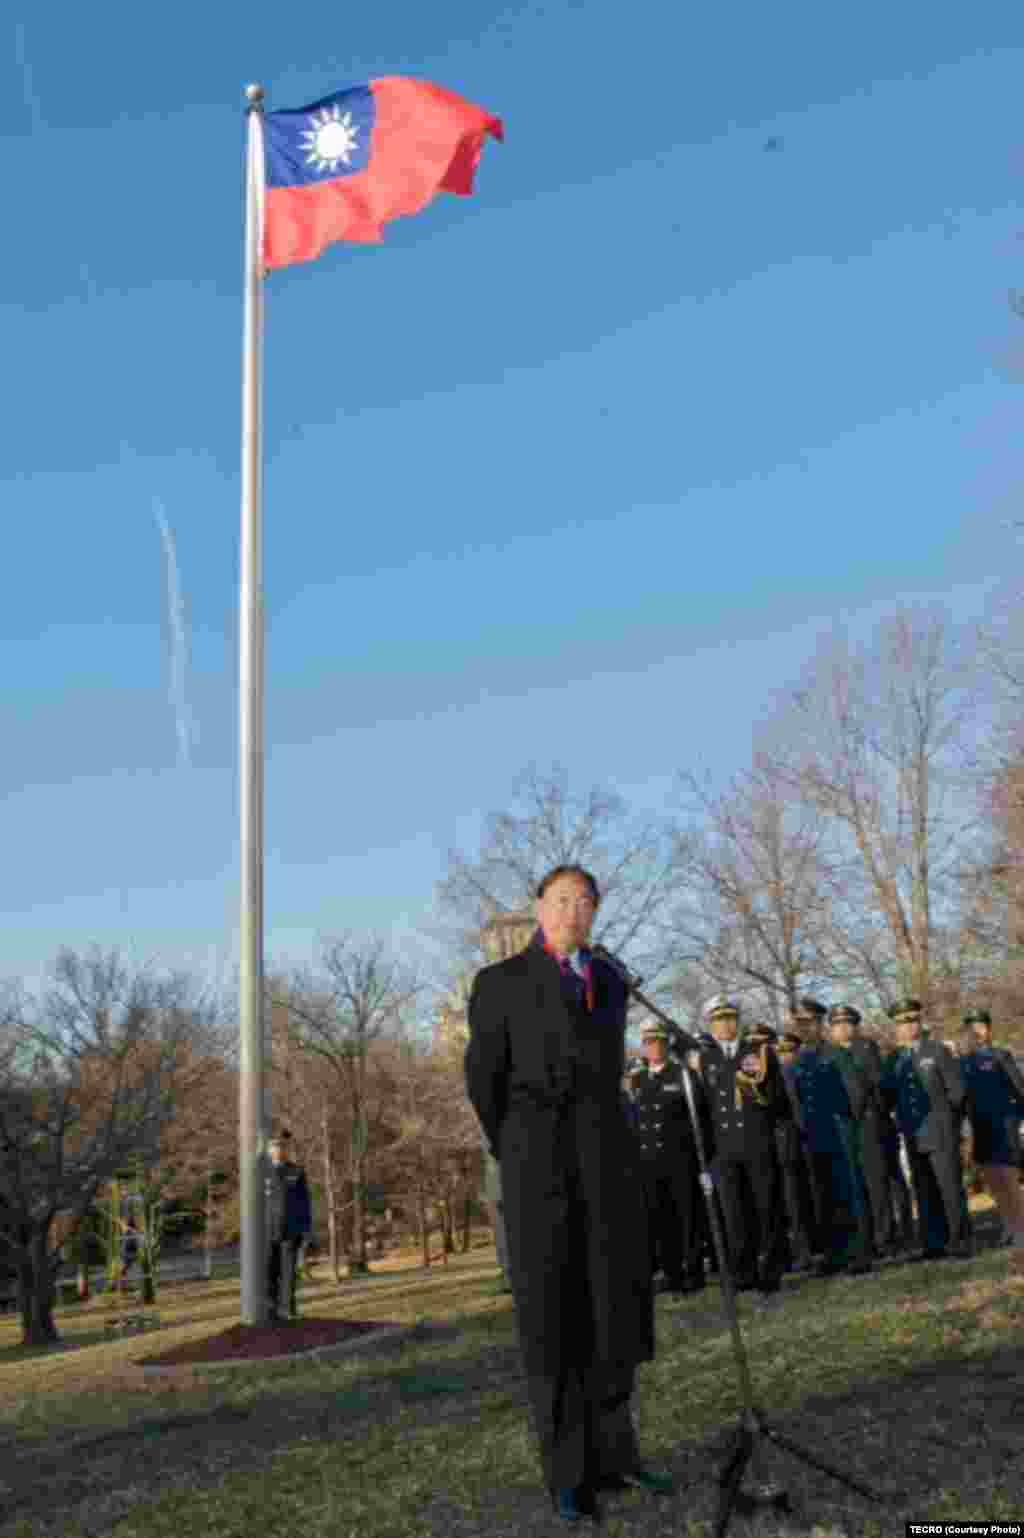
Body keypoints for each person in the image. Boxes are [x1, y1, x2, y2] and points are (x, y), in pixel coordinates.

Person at [465, 864, 670, 1525]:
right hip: (538, 1167)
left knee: (613, 1307)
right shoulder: (499, 983)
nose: (571, 912)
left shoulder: (609, 980)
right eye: (560, 901)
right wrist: (523, 1146)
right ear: (537, 908)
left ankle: (616, 1454)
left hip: (606, 1162)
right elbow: (483, 1084)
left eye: (584, 902)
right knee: (553, 1321)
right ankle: (568, 1473)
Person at [690, 998, 791, 1303]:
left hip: (757, 1143)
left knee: (766, 1209)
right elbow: (702, 1107)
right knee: (734, 1214)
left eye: (730, 1019)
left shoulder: (758, 1052)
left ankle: (770, 1272)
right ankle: (742, 1273)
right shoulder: (704, 1060)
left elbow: (778, 1099)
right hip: (723, 1149)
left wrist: (757, 1094)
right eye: (719, 1021)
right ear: (711, 1025)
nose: (725, 1026)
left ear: (738, 1021)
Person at [881, 1000, 970, 1260]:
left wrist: (950, 1123)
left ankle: (960, 1239)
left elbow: (957, 1091)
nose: (908, 1027)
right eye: (901, 1023)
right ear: (896, 1028)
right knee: (924, 1188)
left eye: (912, 1021)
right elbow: (887, 1095)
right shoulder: (894, 1059)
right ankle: (933, 1243)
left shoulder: (937, 1050)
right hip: (913, 1133)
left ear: (920, 1022)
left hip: (940, 1130)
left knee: (949, 1186)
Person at [789, 997, 870, 1277]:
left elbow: (855, 1093)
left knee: (848, 1192)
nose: (804, 1028)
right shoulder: (800, 1060)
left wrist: (846, 1125)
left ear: (819, 1023)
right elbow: (796, 1100)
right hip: (814, 1135)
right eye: (799, 1023)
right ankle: (835, 1254)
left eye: (808, 1022)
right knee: (823, 1195)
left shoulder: (835, 1053)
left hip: (839, 1130)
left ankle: (859, 1253)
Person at [632, 1020, 705, 1294]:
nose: (654, 1048)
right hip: (650, 1162)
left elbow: (698, 1114)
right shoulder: (638, 1079)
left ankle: (693, 1273)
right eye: (649, 1043)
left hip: (680, 1160)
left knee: (687, 1218)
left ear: (666, 1044)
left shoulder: (682, 1075)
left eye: (659, 1042)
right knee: (661, 1221)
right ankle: (672, 1274)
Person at [959, 1008, 1024, 1249]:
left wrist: (1014, 1120)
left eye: (982, 1026)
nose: (977, 1031)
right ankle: (1008, 1224)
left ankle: (1020, 1228)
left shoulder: (1001, 1056)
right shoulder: (963, 1062)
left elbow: (1020, 1090)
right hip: (980, 1128)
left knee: (1009, 1179)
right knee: (992, 1180)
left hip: (1003, 1126)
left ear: (988, 1029)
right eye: (972, 1027)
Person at [775, 1030, 821, 1270]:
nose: (786, 1057)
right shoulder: (782, 1075)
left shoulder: (798, 1073)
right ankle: (806, 1250)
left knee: (805, 1198)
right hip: (790, 1144)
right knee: (795, 1201)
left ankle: (811, 1249)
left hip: (802, 1141)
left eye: (789, 1051)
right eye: (781, 1052)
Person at [264, 1130, 312, 1321]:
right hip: (267, 1231)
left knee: (289, 1273)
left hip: (291, 1231)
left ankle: (288, 1309)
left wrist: (306, 1230)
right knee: (269, 1272)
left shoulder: (297, 1172)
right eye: (275, 1145)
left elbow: (304, 1203)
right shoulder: (260, 1172)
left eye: (283, 1145)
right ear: (269, 1148)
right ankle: (270, 1309)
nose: (279, 1149)